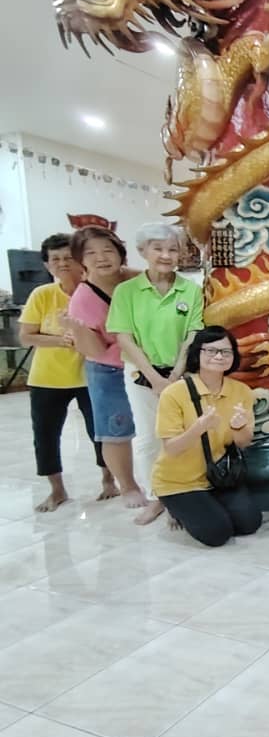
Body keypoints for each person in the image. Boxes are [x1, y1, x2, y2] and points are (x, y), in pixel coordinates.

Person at [107, 222, 204, 524]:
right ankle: (156, 496)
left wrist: (174, 375)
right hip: (141, 374)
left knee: (182, 436)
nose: (166, 255)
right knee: (148, 437)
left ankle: (181, 496)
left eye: (172, 249)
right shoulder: (127, 291)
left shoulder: (191, 289)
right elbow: (124, 337)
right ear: (142, 251)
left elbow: (192, 334)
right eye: (158, 249)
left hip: (180, 374)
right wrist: (155, 378)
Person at [19, 233, 117, 512]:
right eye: (55, 259)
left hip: (91, 375)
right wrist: (59, 339)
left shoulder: (94, 291)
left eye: (67, 258)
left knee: (101, 432)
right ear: (47, 265)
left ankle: (109, 481)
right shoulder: (42, 295)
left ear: (79, 260)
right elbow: (26, 337)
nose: (62, 264)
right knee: (46, 435)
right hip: (47, 379)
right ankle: (57, 490)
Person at [62, 226, 147, 513]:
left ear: (121, 254)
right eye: (91, 253)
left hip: (148, 365)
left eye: (108, 250)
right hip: (109, 371)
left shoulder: (137, 279)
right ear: (81, 260)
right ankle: (128, 486)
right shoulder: (83, 298)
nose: (101, 258)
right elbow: (95, 351)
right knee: (116, 428)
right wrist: (75, 329)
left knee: (160, 424)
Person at [152, 327, 261, 547]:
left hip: (219, 476)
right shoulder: (174, 393)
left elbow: (243, 442)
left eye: (226, 352)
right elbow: (171, 448)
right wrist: (198, 428)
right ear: (197, 354)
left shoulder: (241, 391)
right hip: (179, 482)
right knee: (217, 534)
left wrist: (239, 428)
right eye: (211, 351)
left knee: (249, 523)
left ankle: (207, 506)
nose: (219, 356)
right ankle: (173, 507)